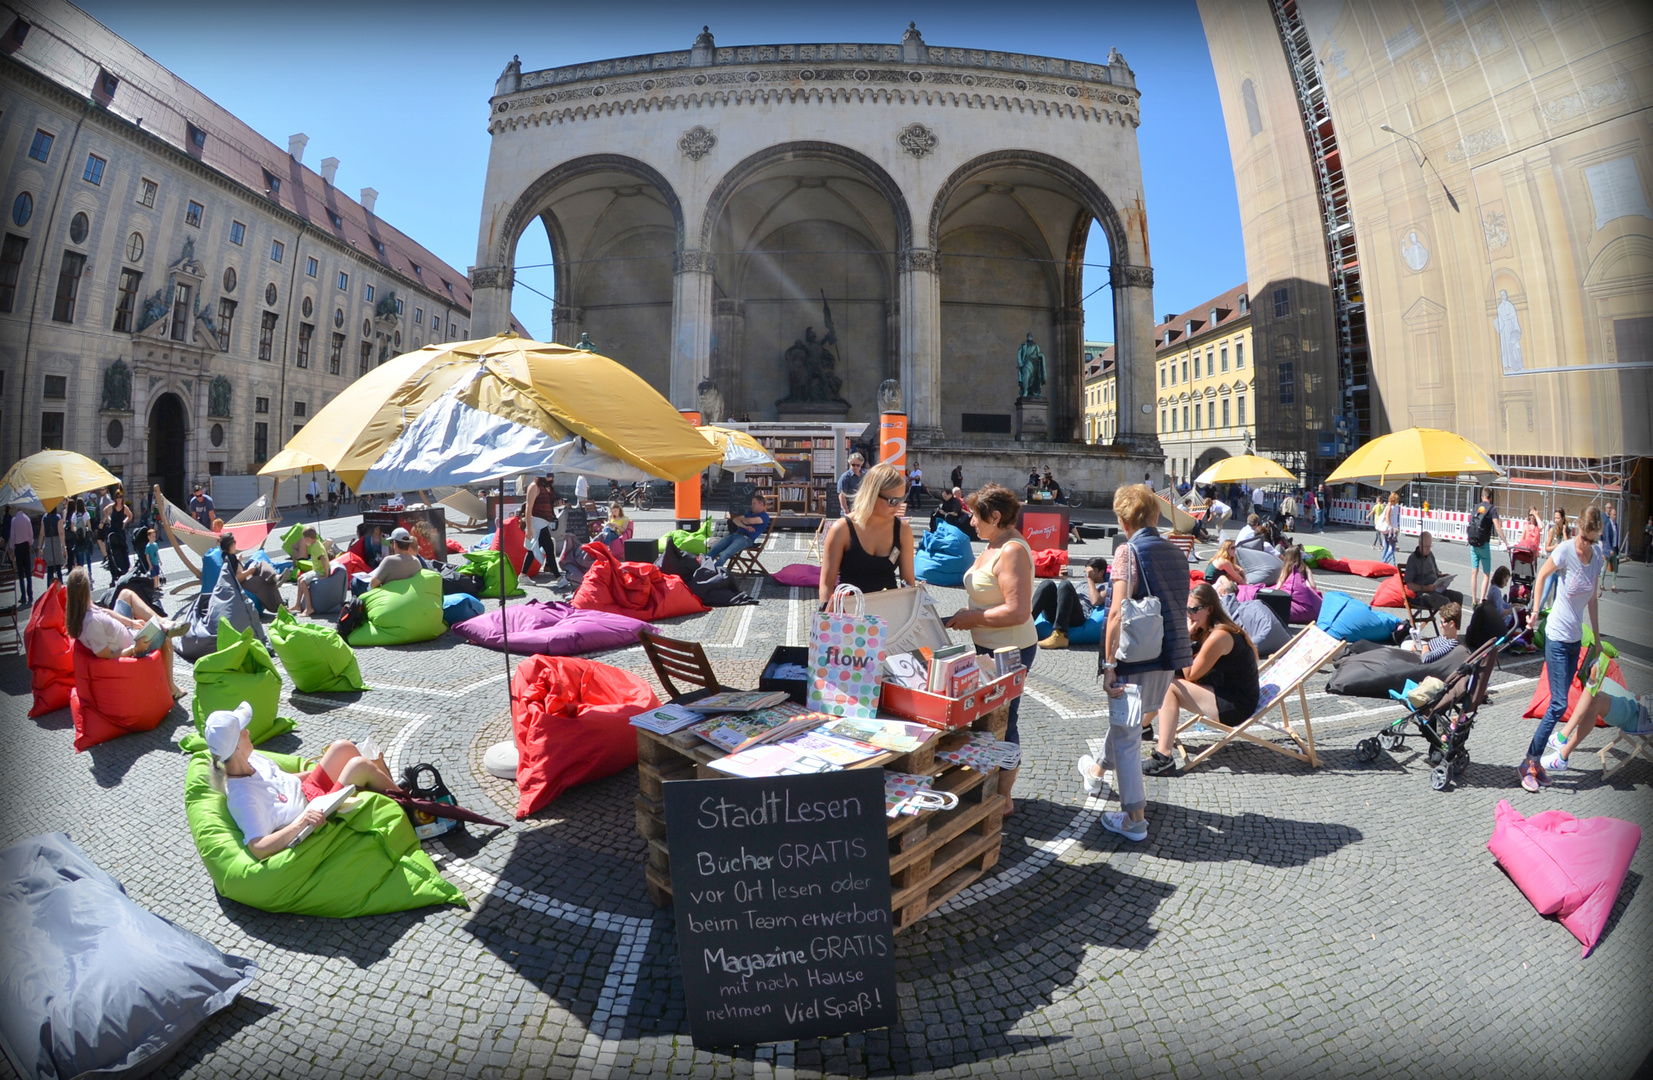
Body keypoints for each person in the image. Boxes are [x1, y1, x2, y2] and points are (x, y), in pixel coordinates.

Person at [1083, 484, 1191, 836]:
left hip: (1135, 656)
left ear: (1123, 519)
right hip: (1168, 655)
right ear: (1155, 516)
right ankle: (1097, 771)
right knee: (1127, 723)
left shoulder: (1127, 552)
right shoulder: (1177, 553)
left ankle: (1134, 820)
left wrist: (1110, 664)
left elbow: (1115, 612)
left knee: (1128, 737)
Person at [205, 702, 402, 861]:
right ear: (236, 747)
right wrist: (301, 823)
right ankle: (414, 811)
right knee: (359, 766)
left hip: (309, 791)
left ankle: (398, 796)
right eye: (243, 731)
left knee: (343, 748)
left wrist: (323, 769)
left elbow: (285, 781)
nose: (248, 732)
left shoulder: (253, 758)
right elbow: (258, 847)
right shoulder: (243, 797)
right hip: (315, 811)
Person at [944, 484, 1036, 815]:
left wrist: (972, 617)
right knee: (988, 718)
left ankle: (1005, 797)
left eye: (975, 516)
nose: (971, 523)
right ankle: (992, 786)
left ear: (995, 517)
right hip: (988, 645)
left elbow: (1018, 611)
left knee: (1005, 719)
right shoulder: (993, 544)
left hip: (1011, 649)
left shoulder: (1011, 550)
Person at [1521, 505, 1605, 792]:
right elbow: (1542, 576)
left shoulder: (1597, 558)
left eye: (1592, 540)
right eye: (1584, 537)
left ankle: (1537, 763)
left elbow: (1592, 599)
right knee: (1558, 704)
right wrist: (1534, 611)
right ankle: (1529, 762)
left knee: (1562, 702)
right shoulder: (1566, 550)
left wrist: (1597, 638)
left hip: (1574, 641)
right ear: (1578, 529)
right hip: (1556, 635)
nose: (1587, 544)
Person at [1153, 582, 1261, 769]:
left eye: (1194, 609)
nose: (1189, 614)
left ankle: (1164, 757)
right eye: (1186, 609)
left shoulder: (1219, 636)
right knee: (1166, 676)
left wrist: (1185, 638)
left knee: (1169, 687)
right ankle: (1144, 728)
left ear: (1209, 609)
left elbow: (1191, 675)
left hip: (1236, 705)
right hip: (1225, 691)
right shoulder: (1210, 629)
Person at [63, 567, 187, 697]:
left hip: (122, 631)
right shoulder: (91, 623)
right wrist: (135, 649)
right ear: (86, 590)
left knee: (126, 594)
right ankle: (172, 689)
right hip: (131, 644)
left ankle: (163, 621)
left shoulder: (84, 608)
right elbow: (105, 656)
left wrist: (130, 622)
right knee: (165, 636)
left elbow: (105, 611)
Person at [1540, 645, 1650, 776]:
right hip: (1637, 702)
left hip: (1638, 718)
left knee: (1597, 700)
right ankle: (1562, 736)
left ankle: (1562, 757)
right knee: (1598, 678)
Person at [819, 464, 916, 602]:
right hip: (850, 613)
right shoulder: (842, 529)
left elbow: (908, 584)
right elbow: (826, 585)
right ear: (872, 495)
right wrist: (828, 615)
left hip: (889, 612)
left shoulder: (902, 529)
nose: (899, 507)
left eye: (902, 499)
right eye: (892, 501)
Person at [1031, 557, 1108, 649]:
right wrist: (1063, 578)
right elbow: (1065, 596)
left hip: (1078, 618)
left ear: (1101, 572)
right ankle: (1026, 623)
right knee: (1047, 584)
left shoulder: (1105, 586)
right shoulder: (1081, 583)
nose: (1087, 574)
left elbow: (1096, 601)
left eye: (1092, 571)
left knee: (1066, 584)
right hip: (1060, 614)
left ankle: (1060, 634)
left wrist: (1090, 579)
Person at [1403, 531, 1464, 613]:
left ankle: (1454, 624)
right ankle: (1447, 624)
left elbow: (1436, 574)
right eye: (1426, 546)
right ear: (1420, 544)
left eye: (1430, 546)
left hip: (1436, 589)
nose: (1428, 549)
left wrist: (1444, 577)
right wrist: (1426, 588)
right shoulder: (1413, 559)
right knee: (1444, 602)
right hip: (1423, 593)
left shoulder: (1430, 555)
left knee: (1458, 596)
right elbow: (1409, 585)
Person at [706, 494, 770, 570]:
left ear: (761, 504)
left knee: (725, 554)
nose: (752, 505)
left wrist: (742, 520)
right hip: (735, 534)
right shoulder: (750, 513)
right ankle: (703, 567)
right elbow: (735, 520)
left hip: (746, 538)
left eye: (754, 503)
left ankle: (713, 571)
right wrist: (745, 526)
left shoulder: (764, 516)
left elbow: (748, 521)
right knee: (715, 549)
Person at [291, 527, 338, 616]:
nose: (304, 542)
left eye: (304, 539)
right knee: (299, 579)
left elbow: (323, 559)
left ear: (308, 538)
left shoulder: (316, 547)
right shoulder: (316, 544)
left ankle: (309, 607)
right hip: (317, 570)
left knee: (303, 581)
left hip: (320, 571)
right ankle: (298, 605)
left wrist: (326, 574)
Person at [1467, 487, 1500, 604]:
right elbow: (1497, 526)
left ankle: (1473, 600)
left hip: (1473, 543)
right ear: (1491, 498)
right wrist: (1505, 541)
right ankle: (1481, 601)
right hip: (1484, 544)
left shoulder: (1476, 507)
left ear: (1482, 496)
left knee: (1474, 572)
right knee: (1486, 574)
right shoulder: (1491, 509)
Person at [7, 505, 35, 604]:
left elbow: (12, 536)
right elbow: (31, 534)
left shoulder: (14, 520)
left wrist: (12, 549)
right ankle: (30, 594)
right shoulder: (27, 519)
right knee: (28, 572)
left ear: (16, 509)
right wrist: (30, 544)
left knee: (21, 573)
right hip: (26, 546)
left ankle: (23, 595)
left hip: (18, 547)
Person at [37, 502, 65, 586]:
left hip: (48, 543)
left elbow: (41, 534)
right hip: (56, 544)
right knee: (58, 568)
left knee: (49, 569)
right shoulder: (58, 517)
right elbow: (61, 533)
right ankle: (61, 588)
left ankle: (49, 589)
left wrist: (39, 547)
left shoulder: (44, 518)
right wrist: (64, 546)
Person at [1601, 503, 1622, 594]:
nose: (1615, 516)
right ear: (1611, 515)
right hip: (1608, 549)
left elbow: (1615, 537)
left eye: (1616, 515)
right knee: (1605, 567)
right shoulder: (1608, 525)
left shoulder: (1615, 525)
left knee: (1615, 567)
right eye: (1614, 514)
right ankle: (1601, 584)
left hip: (1614, 548)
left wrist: (1616, 549)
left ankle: (1613, 584)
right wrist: (1609, 549)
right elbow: (1607, 538)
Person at [1379, 492, 1402, 565]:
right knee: (1392, 548)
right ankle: (1384, 561)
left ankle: (1383, 561)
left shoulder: (1390, 506)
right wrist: (1391, 527)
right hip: (1392, 529)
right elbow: (1387, 518)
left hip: (1389, 529)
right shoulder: (1392, 507)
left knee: (1386, 545)